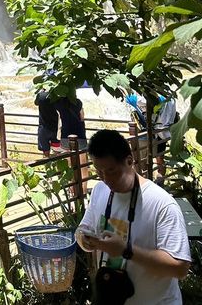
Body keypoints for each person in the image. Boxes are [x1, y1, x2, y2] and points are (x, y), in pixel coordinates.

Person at [76, 129, 190, 305]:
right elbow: (83, 230)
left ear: (130, 161)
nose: (106, 179)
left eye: (111, 171)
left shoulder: (162, 204)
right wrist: (86, 240)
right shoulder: (100, 190)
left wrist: (125, 251)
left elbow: (180, 268)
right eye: (99, 171)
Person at [34, 89, 60, 157]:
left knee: (45, 150)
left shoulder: (40, 95)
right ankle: (58, 164)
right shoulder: (56, 95)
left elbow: (36, 103)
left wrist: (40, 92)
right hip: (55, 126)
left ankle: (47, 164)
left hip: (44, 126)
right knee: (57, 149)